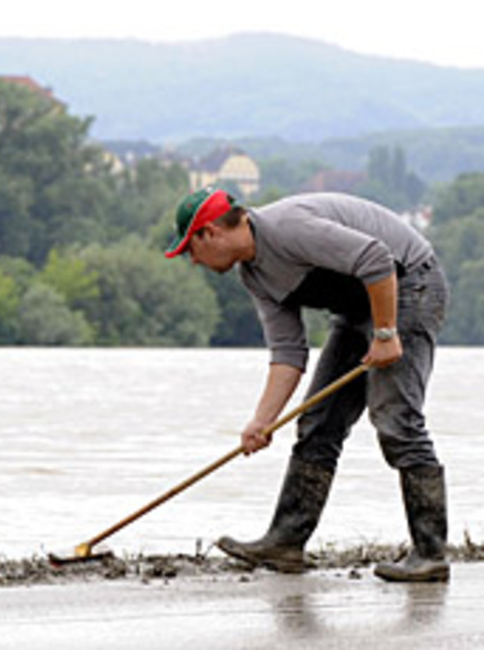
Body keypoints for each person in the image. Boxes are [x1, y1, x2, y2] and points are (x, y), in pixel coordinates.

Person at [164, 185, 450, 582]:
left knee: (396, 420)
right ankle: (285, 542)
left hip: (409, 286)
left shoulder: (287, 228)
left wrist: (385, 333)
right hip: (356, 309)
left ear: (209, 232)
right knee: (318, 423)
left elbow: (377, 259)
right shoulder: (254, 275)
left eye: (190, 250)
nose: (192, 261)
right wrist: (260, 421)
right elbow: (287, 352)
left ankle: (431, 553)